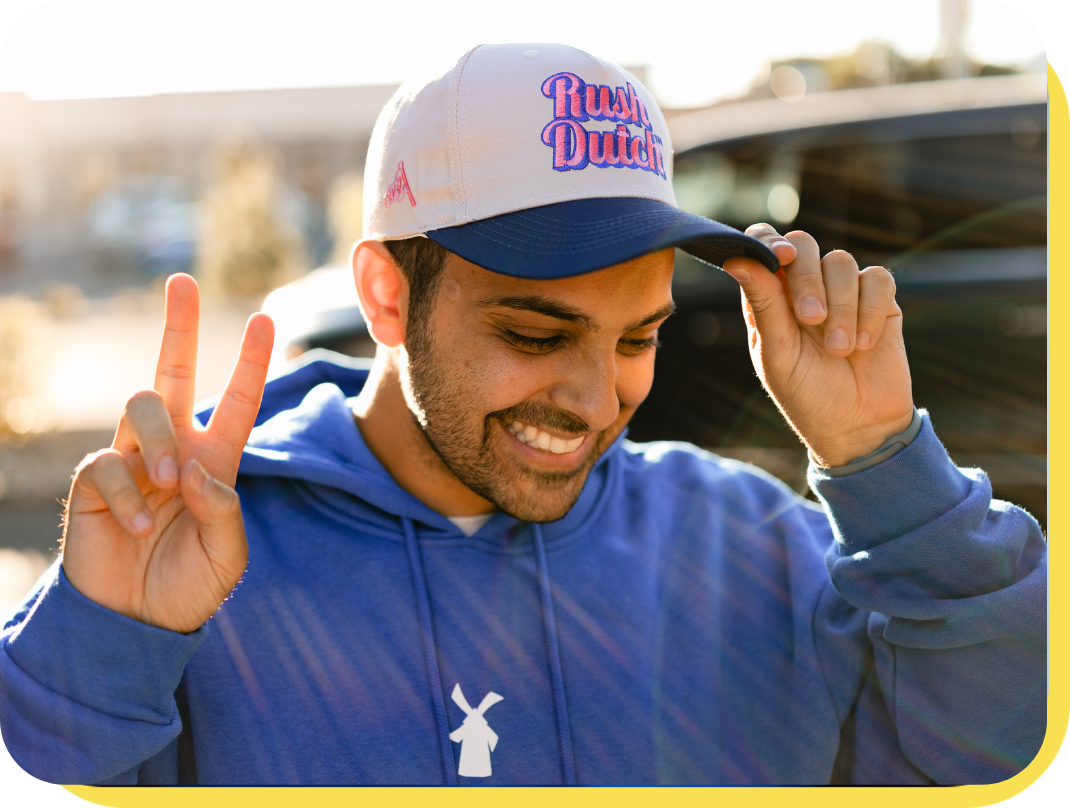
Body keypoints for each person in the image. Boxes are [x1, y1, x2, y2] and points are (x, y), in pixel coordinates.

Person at [0, 43, 1046, 786]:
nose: (598, 404)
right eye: (537, 336)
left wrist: (889, 475)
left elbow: (989, 756)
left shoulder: (750, 545)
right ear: (385, 296)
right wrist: (94, 646)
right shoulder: (192, 564)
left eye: (636, 337)